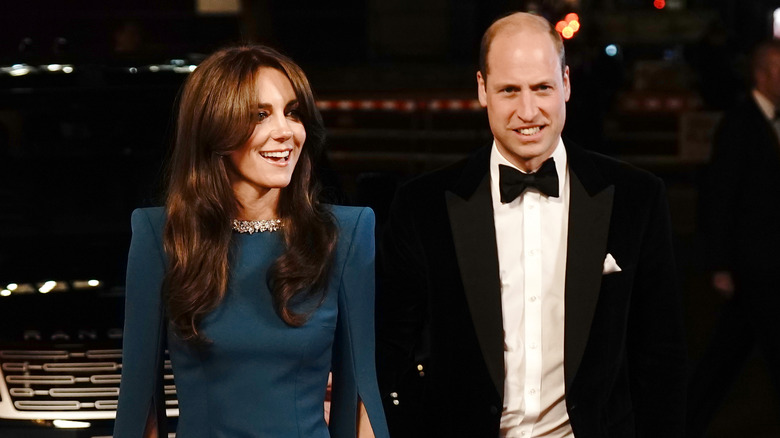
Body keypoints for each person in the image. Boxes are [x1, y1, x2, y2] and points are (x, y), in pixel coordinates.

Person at [376, 12, 686, 438]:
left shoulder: (637, 198)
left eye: (542, 87)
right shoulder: (421, 207)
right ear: (483, 89)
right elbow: (391, 345)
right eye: (509, 90)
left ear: (566, 84)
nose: (528, 111)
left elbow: (661, 357)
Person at [113, 45, 389, 438]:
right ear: (216, 130)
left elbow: (361, 394)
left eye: (292, 112)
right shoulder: (162, 236)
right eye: (260, 115)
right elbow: (141, 402)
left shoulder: (345, 233)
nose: (286, 131)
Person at [688, 39, 780, 437]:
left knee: (726, 354)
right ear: (762, 76)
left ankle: (684, 421)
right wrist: (720, 263)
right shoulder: (740, 124)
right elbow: (719, 196)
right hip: (753, 264)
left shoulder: (773, 122)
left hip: (766, 264)